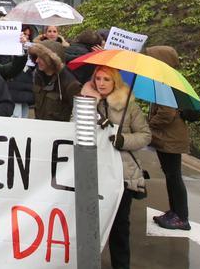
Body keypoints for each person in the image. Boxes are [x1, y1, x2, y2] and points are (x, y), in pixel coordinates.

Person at [80, 66, 151, 269]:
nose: (101, 83)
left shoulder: (130, 107)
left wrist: (123, 140)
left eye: (106, 79)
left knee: (119, 227)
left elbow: (145, 135)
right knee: (90, 224)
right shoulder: (86, 104)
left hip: (122, 174)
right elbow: (72, 128)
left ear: (115, 83)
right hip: (93, 172)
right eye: (98, 78)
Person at [146, 46, 192, 231]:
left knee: (174, 177)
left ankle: (181, 217)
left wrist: (148, 125)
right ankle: (175, 212)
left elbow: (166, 114)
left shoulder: (166, 83)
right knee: (171, 175)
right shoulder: (166, 81)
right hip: (169, 137)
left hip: (171, 138)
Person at [27, 40, 82, 121]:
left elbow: (80, 113)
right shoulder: (38, 75)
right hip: (39, 128)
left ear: (51, 60)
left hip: (60, 131)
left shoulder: (70, 83)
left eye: (41, 58)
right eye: (36, 56)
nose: (37, 60)